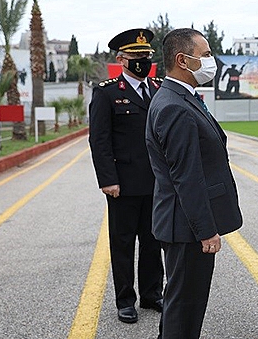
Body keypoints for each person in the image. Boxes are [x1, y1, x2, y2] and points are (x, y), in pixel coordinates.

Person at [145, 28, 243, 339]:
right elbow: (186, 176)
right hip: (186, 227)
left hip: (182, 223)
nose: (211, 61)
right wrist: (206, 230)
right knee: (185, 309)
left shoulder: (179, 97)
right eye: (204, 55)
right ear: (181, 60)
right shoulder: (174, 105)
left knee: (179, 304)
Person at [88, 29, 165, 324]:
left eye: (146, 56)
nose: (143, 61)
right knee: (122, 244)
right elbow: (100, 139)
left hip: (156, 182)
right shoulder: (107, 92)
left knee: (153, 240)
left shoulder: (158, 89)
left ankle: (151, 293)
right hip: (122, 184)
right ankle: (125, 300)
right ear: (121, 59)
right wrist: (108, 179)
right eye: (136, 57)